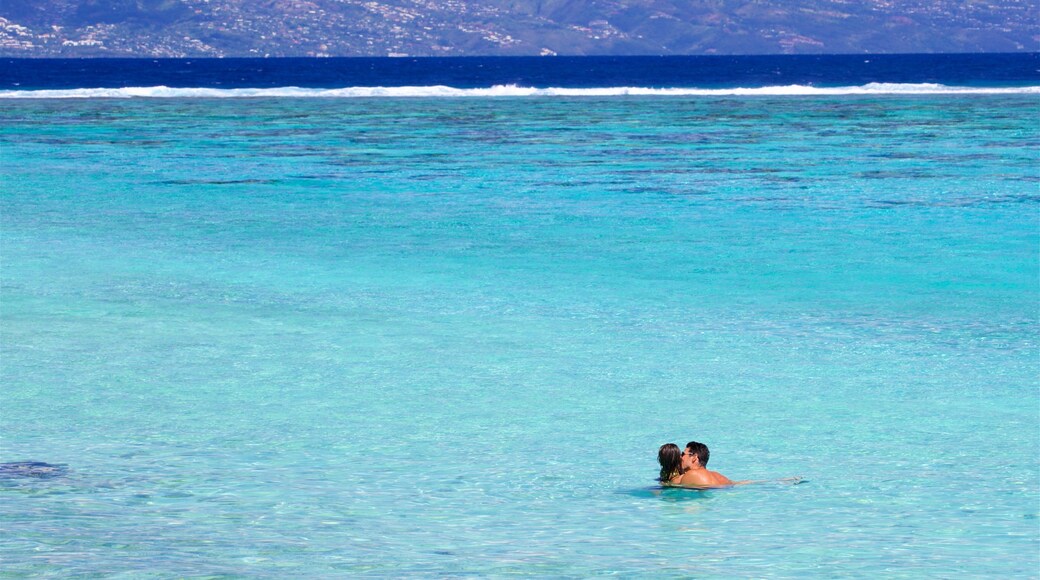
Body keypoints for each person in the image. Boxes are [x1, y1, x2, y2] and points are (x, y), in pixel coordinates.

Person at [678, 441, 743, 488]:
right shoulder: (717, 475)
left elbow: (673, 484)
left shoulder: (692, 474)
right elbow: (737, 483)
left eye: (683, 454)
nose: (680, 457)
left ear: (694, 457)